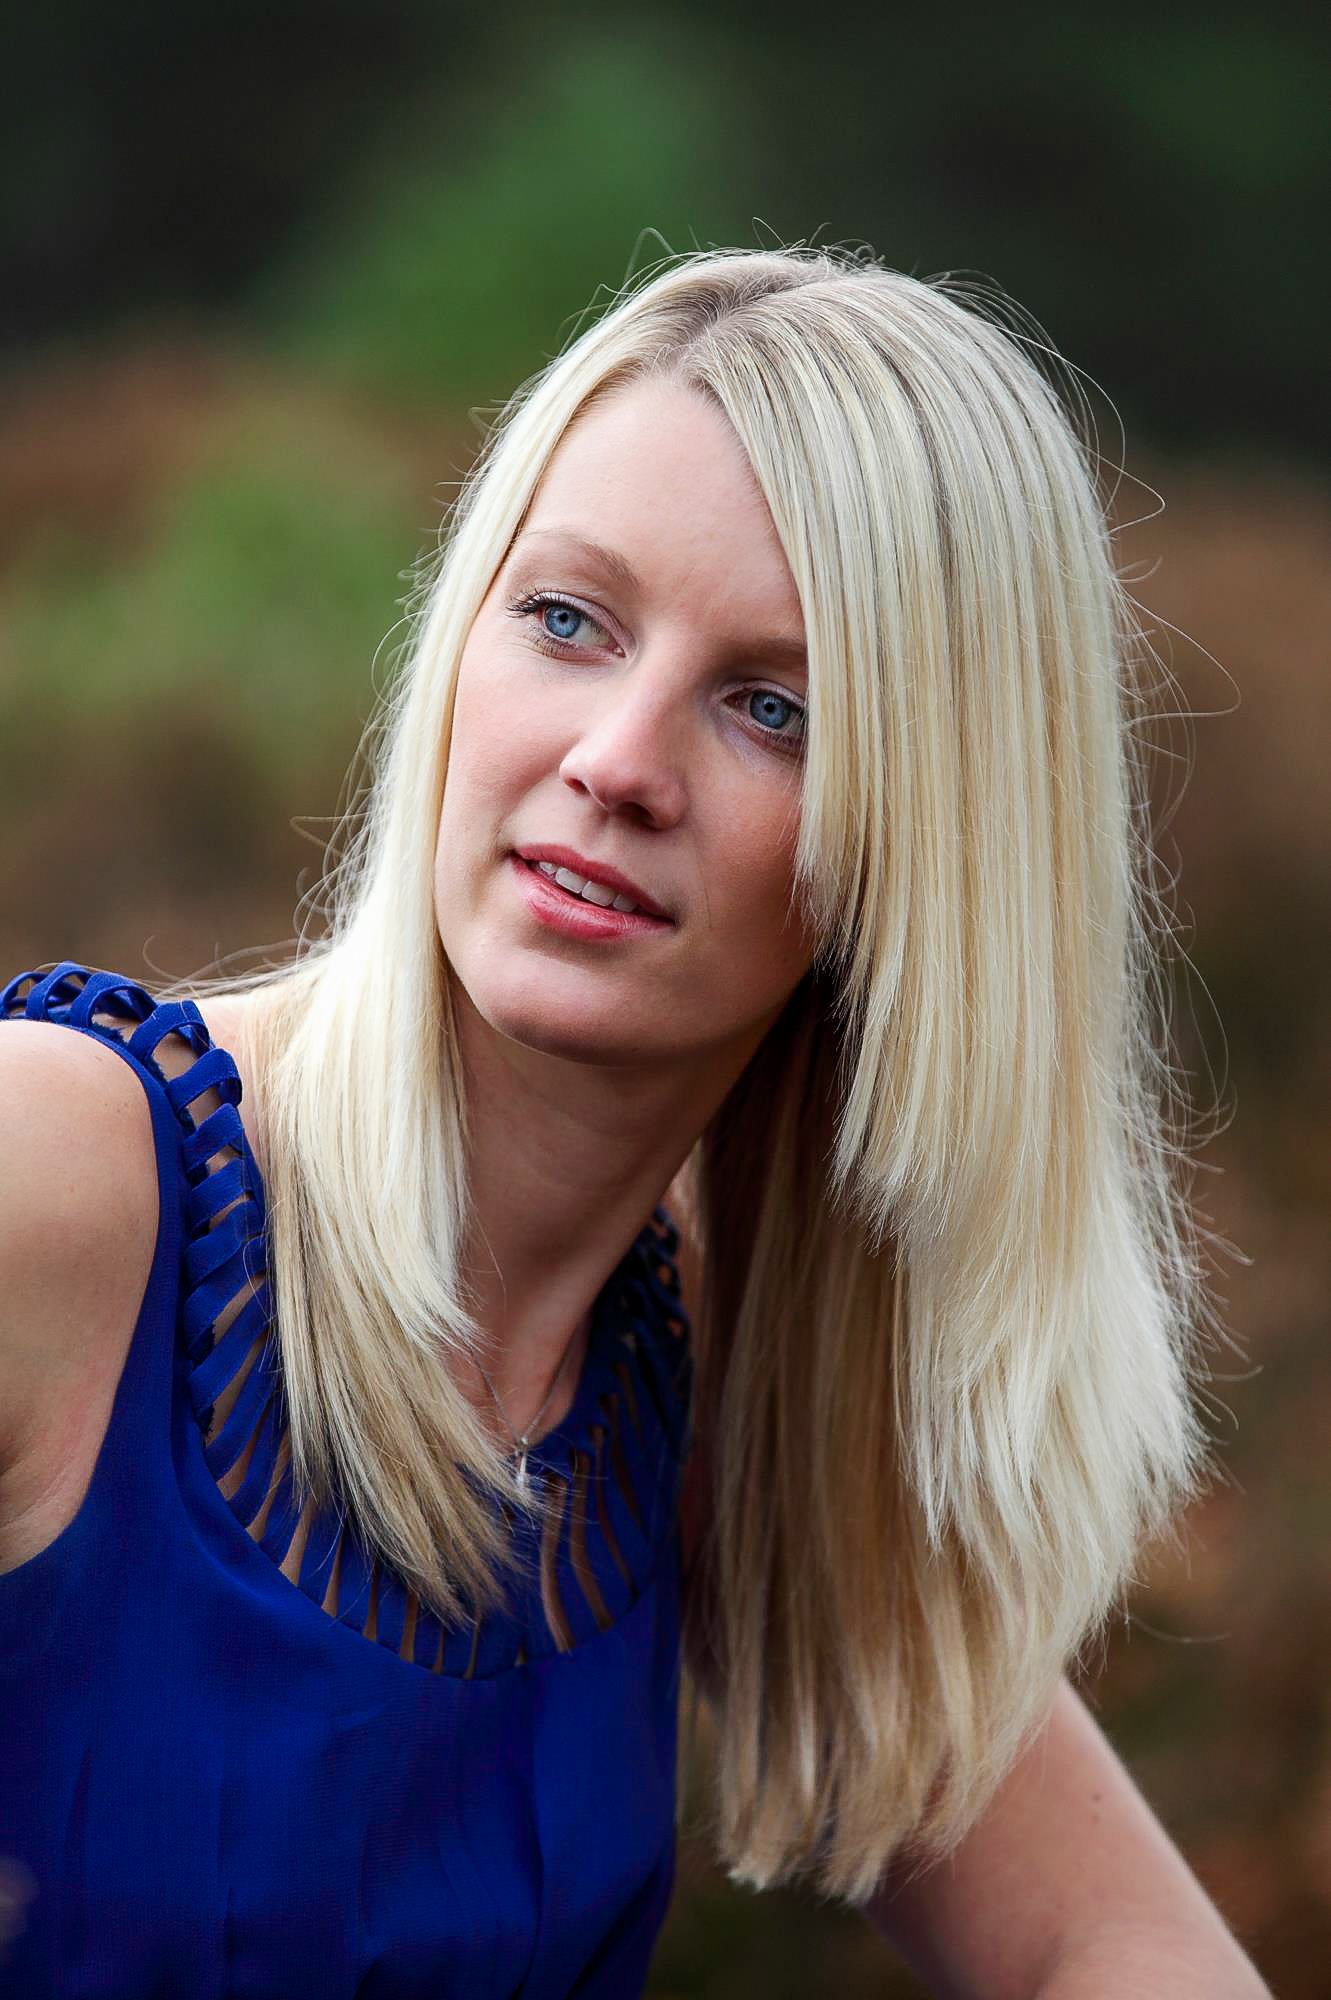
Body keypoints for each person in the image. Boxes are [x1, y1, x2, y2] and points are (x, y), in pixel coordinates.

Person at [0, 245, 1269, 1996]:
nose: (615, 756)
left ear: (932, 855)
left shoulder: (706, 1362)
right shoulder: (62, 1184)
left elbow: (1116, 1947)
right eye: (569, 620)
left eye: (773, 708)